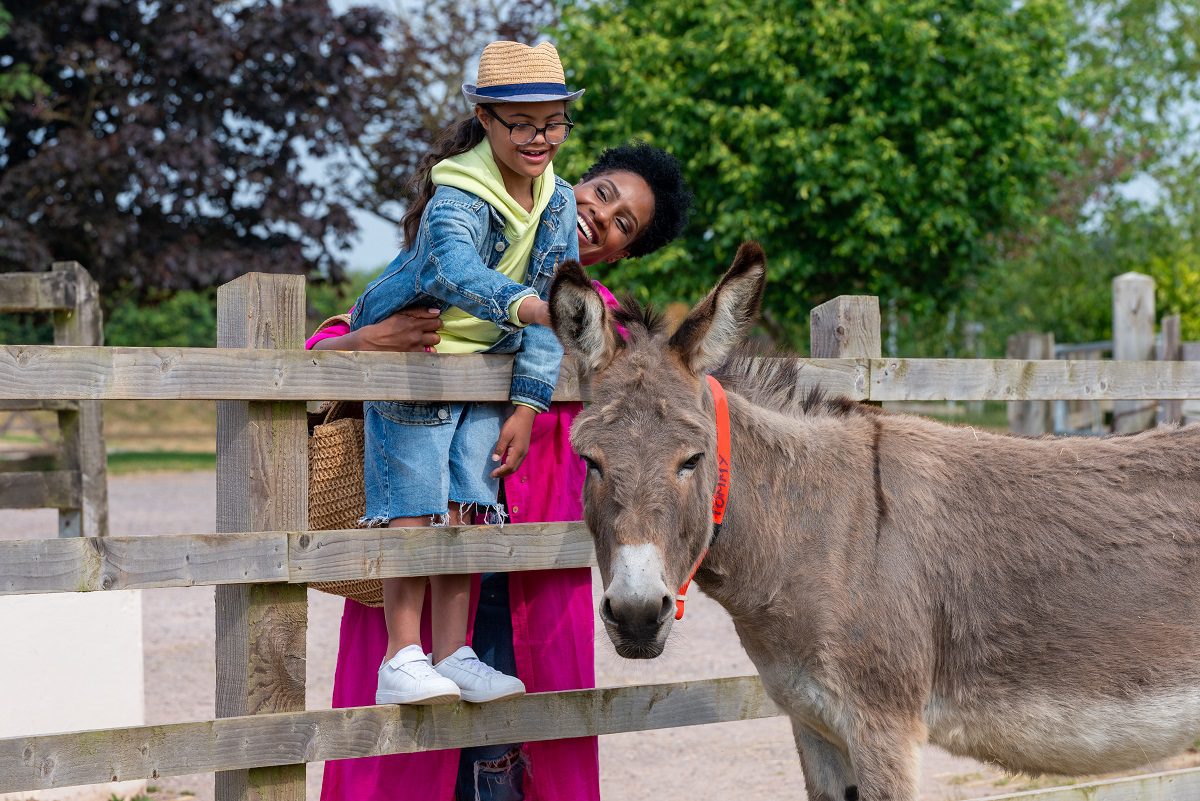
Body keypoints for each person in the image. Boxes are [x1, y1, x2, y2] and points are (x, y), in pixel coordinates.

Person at [311, 141, 693, 800]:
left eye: (623, 223)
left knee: (509, 767)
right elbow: (314, 357)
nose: (602, 216)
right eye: (603, 193)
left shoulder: (602, 326)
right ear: (576, 181)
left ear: (621, 253)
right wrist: (363, 343)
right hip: (422, 561)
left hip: (527, 583)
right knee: (405, 760)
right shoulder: (461, 262)